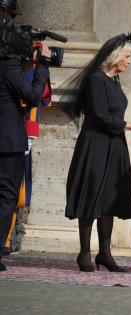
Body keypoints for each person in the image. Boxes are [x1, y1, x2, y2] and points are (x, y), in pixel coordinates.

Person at [65, 32, 131, 272]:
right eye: (128, 56)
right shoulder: (96, 79)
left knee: (109, 199)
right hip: (95, 145)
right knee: (91, 196)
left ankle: (105, 253)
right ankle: (84, 253)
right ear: (115, 56)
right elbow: (101, 116)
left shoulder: (114, 80)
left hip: (115, 146)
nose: (130, 61)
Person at [0, 0, 51, 272]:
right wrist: (41, 68)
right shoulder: (9, 66)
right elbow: (31, 98)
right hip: (7, 139)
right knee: (7, 194)